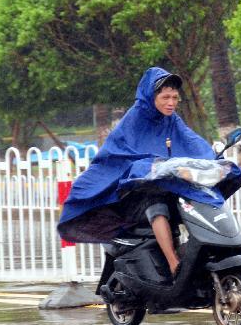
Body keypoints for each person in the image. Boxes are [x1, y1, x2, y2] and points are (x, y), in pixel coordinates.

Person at [57, 67, 215, 278]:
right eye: (165, 97)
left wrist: (214, 161)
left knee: (195, 200)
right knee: (156, 204)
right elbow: (123, 155)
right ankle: (173, 263)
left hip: (161, 185)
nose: (171, 103)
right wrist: (147, 166)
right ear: (152, 96)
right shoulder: (135, 118)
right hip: (130, 193)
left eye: (175, 98)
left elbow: (191, 142)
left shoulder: (172, 119)